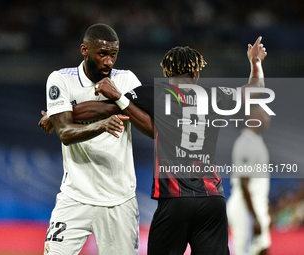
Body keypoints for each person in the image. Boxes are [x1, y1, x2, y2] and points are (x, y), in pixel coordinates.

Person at [39, 36, 267, 255]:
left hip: (175, 201)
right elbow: (255, 90)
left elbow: (104, 108)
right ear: (196, 71)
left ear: (167, 72)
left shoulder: (155, 93)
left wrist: (56, 113)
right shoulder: (216, 96)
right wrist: (255, 62)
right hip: (212, 200)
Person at [43, 23, 143, 255]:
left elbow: (147, 119)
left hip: (119, 200)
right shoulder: (61, 80)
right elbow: (65, 133)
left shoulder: (126, 80)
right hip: (74, 198)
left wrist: (61, 112)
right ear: (84, 50)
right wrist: (102, 123)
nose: (109, 61)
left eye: (113, 55)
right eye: (102, 54)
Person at [227, 105, 271, 255]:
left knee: (263, 249)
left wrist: (264, 210)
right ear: (253, 116)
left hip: (256, 208)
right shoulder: (246, 143)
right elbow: (244, 183)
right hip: (244, 209)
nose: (268, 118)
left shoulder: (256, 141)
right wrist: (255, 217)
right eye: (264, 114)